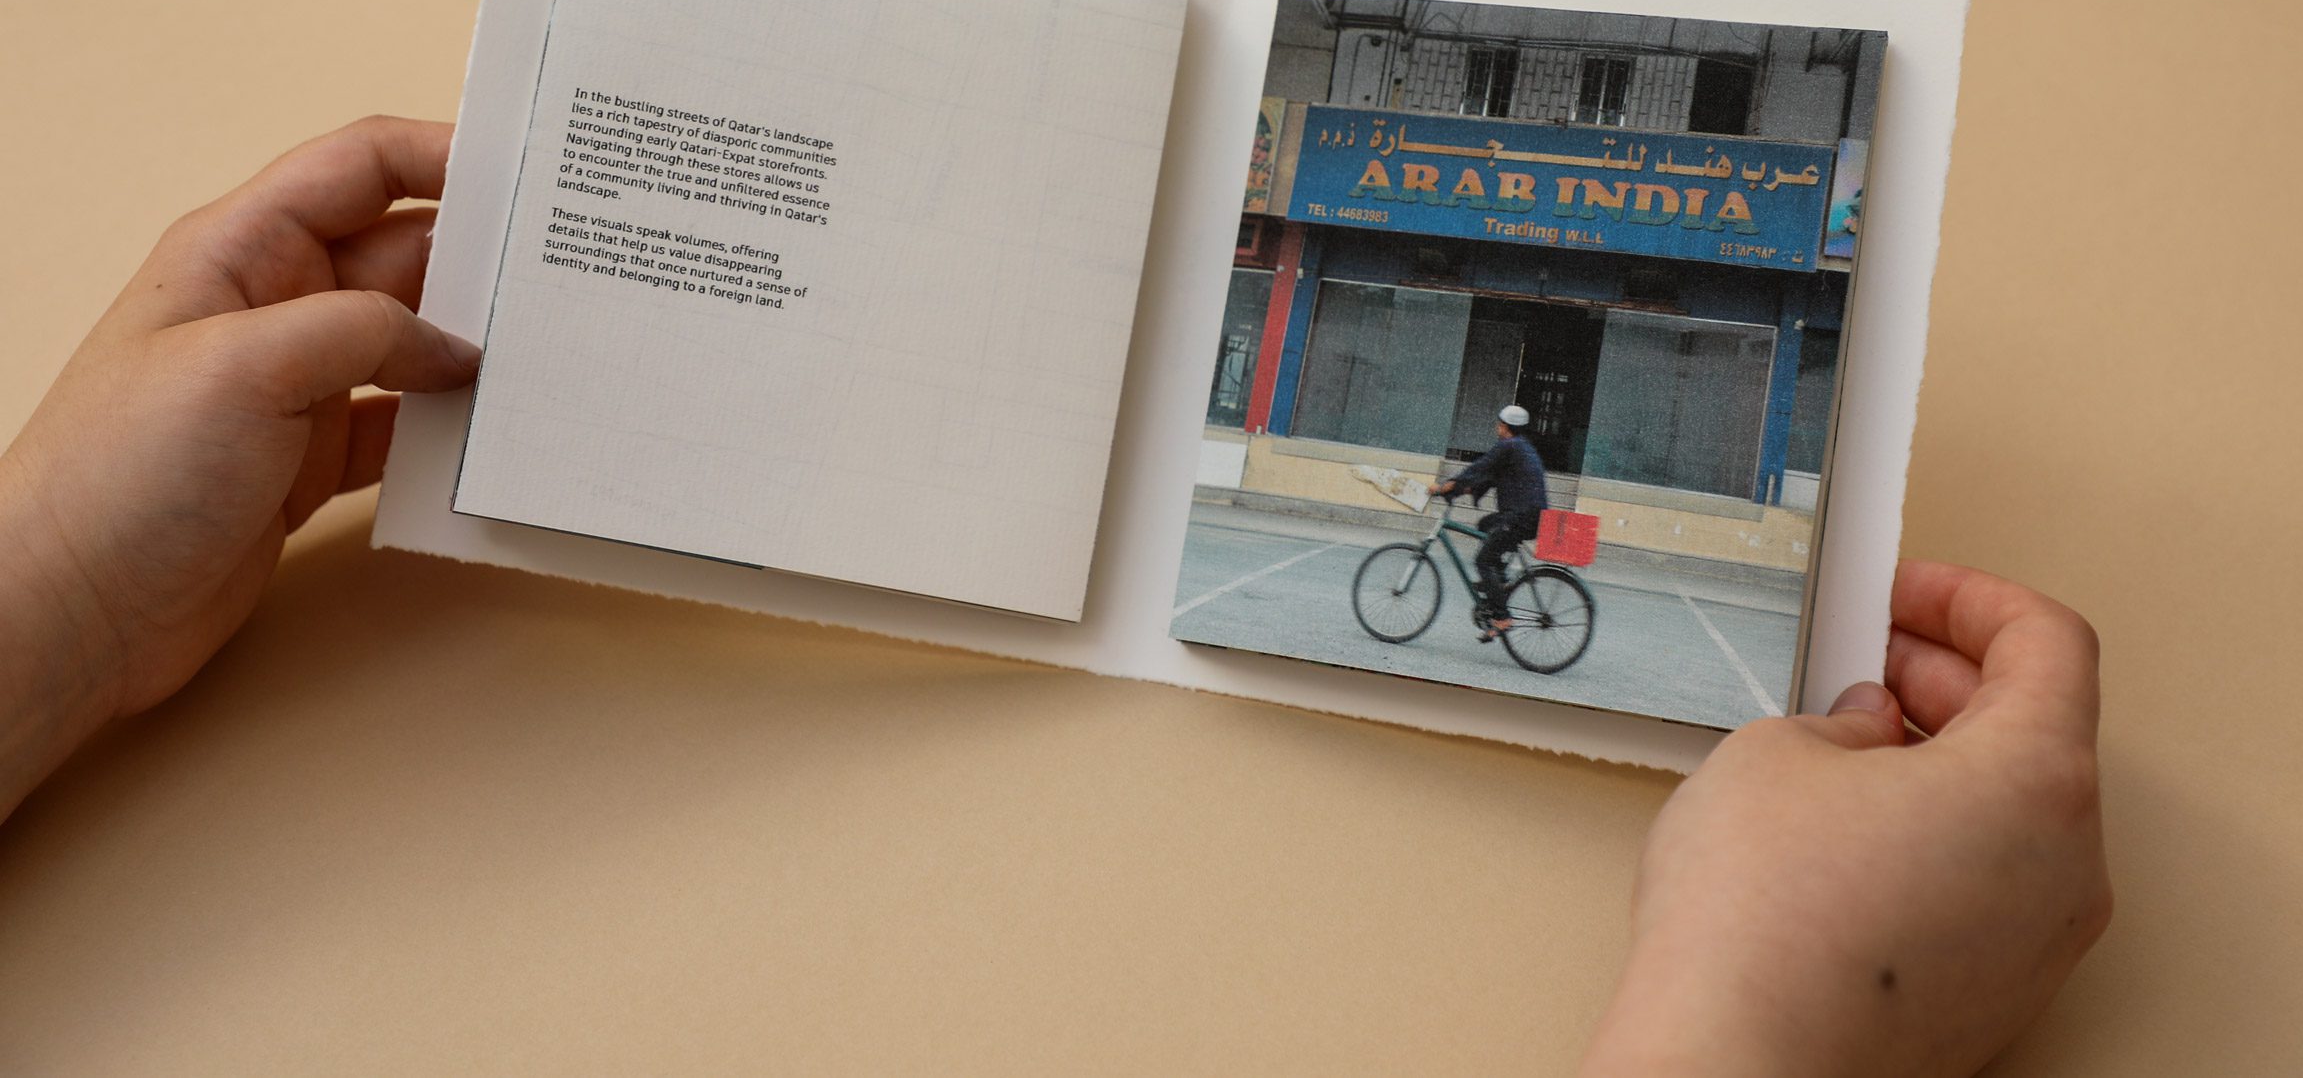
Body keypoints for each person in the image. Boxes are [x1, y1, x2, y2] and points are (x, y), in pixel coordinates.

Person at [0, 117, 2111, 1075]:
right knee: (1467, 534)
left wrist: (69, 586)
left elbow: (1501, 470)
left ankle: (1478, 610)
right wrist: (1775, 1029)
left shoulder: (1538, 435)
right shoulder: (1512, 419)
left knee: (1480, 552)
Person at [1429, 403, 1550, 638]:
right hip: (1526, 514)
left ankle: (1502, 617)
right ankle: (1500, 581)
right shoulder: (1520, 448)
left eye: (1499, 424)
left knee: (1483, 561)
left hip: (1522, 516)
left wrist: (1445, 486)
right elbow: (1485, 478)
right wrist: (1454, 491)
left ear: (1506, 426)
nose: (1497, 427)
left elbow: (1480, 466)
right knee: (1485, 525)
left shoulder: (1509, 446)